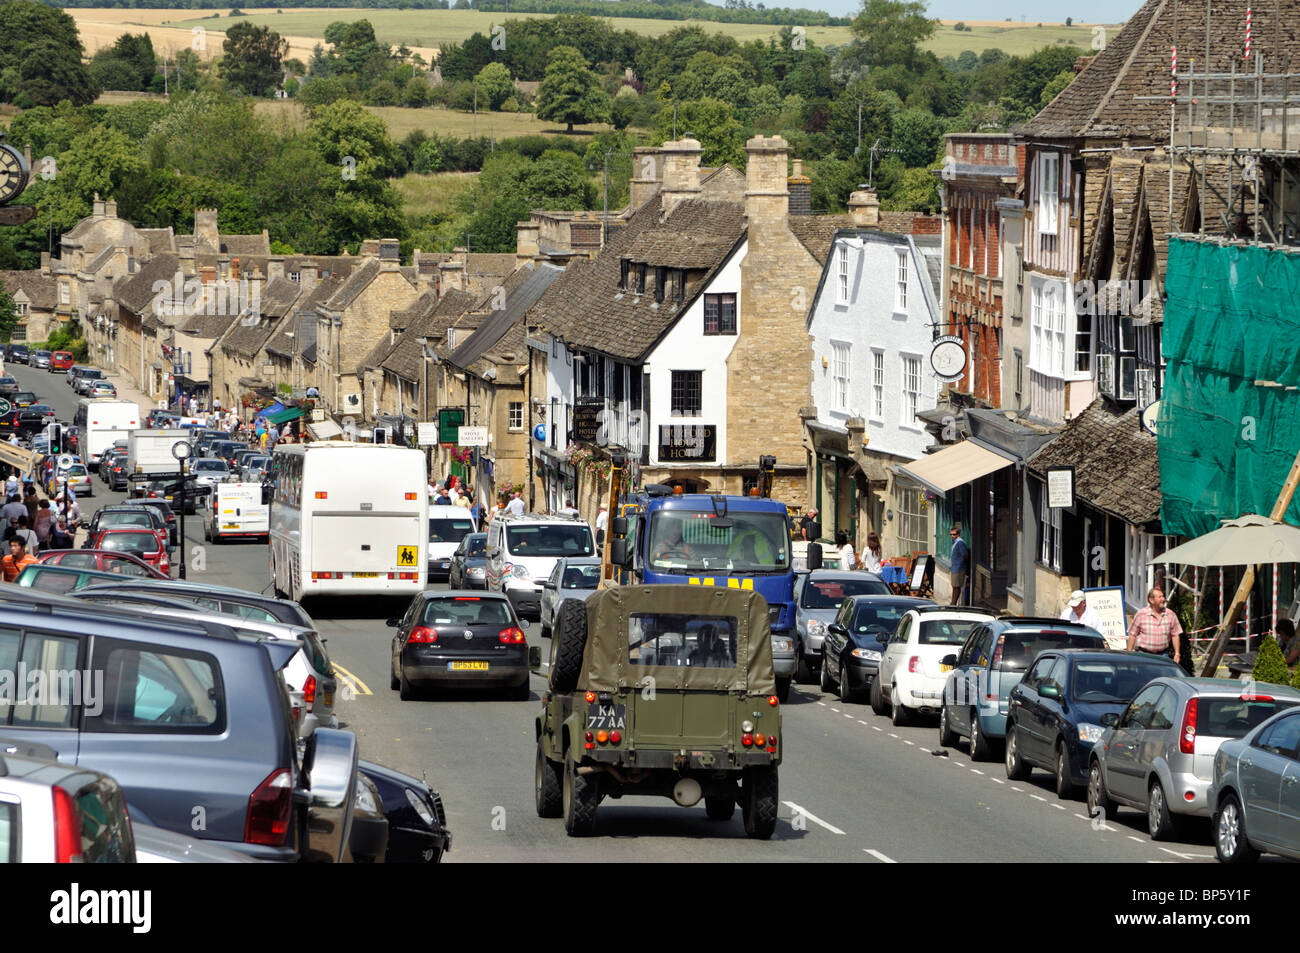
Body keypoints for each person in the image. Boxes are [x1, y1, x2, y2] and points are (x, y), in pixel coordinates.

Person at [1127, 586, 1183, 664]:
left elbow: (1175, 635)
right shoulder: (1141, 614)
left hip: (1163, 655)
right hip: (1143, 655)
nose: (1163, 599)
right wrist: (1129, 655)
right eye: (1160, 597)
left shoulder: (1170, 614)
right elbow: (1132, 635)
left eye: (1163, 596)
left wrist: (1177, 653)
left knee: (1162, 676)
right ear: (1151, 600)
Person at [948, 525, 969, 606]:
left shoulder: (960, 542)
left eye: (954, 534)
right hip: (955, 568)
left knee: (956, 586)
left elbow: (965, 555)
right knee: (954, 586)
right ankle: (953, 602)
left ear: (958, 534)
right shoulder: (955, 542)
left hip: (959, 568)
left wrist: (963, 565)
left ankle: (953, 603)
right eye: (951, 534)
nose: (952, 536)